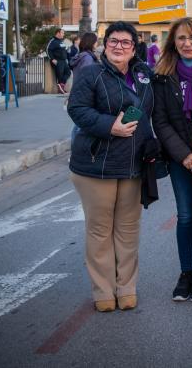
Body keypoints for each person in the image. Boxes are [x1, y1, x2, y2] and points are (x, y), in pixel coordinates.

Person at [67, 21, 155, 312]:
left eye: (125, 42)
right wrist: (109, 126)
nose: (119, 47)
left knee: (128, 230)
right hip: (96, 165)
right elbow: (77, 109)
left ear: (134, 47)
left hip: (132, 164)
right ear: (105, 44)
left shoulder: (143, 74)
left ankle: (126, 287)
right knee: (100, 230)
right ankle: (103, 291)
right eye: (113, 41)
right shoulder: (91, 73)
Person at [151, 17, 192, 303]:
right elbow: (161, 121)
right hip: (180, 157)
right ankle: (185, 272)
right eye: (181, 38)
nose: (187, 43)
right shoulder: (162, 76)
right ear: (173, 43)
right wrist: (185, 155)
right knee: (185, 215)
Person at [46, 28, 71, 94]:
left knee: (68, 72)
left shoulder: (61, 41)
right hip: (58, 61)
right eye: (62, 33)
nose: (63, 34)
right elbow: (48, 50)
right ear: (58, 33)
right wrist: (52, 59)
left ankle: (61, 85)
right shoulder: (53, 41)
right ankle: (60, 88)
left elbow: (64, 50)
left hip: (64, 61)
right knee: (60, 75)